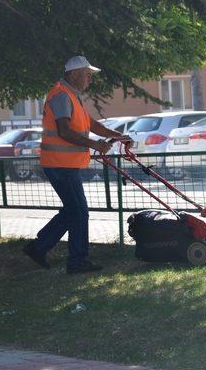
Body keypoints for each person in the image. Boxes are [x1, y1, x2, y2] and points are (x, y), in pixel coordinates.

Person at [23, 56, 132, 274]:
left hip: (64, 164)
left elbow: (90, 124)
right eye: (87, 74)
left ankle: (39, 247)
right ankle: (76, 261)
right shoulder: (62, 95)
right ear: (73, 74)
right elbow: (64, 131)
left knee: (74, 210)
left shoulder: (71, 95)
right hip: (59, 164)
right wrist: (95, 145)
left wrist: (117, 135)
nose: (90, 79)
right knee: (79, 211)